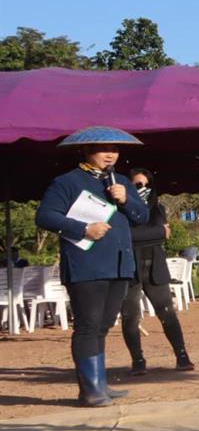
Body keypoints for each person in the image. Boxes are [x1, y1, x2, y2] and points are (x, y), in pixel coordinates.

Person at [34, 126, 151, 407]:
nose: (110, 155)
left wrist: (125, 200)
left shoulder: (122, 181)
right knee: (88, 326)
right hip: (86, 265)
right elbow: (45, 216)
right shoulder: (67, 182)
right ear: (86, 151)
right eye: (103, 149)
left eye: (114, 150)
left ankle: (99, 384)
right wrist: (83, 229)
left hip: (119, 264)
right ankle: (89, 391)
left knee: (104, 325)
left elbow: (142, 217)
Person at [120, 168, 194, 374]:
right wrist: (157, 232)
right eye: (137, 185)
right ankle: (138, 360)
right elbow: (125, 236)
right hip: (130, 269)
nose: (142, 189)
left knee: (167, 313)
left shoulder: (157, 209)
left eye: (146, 185)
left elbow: (163, 235)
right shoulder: (119, 211)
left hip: (155, 268)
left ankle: (182, 355)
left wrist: (153, 233)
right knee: (130, 316)